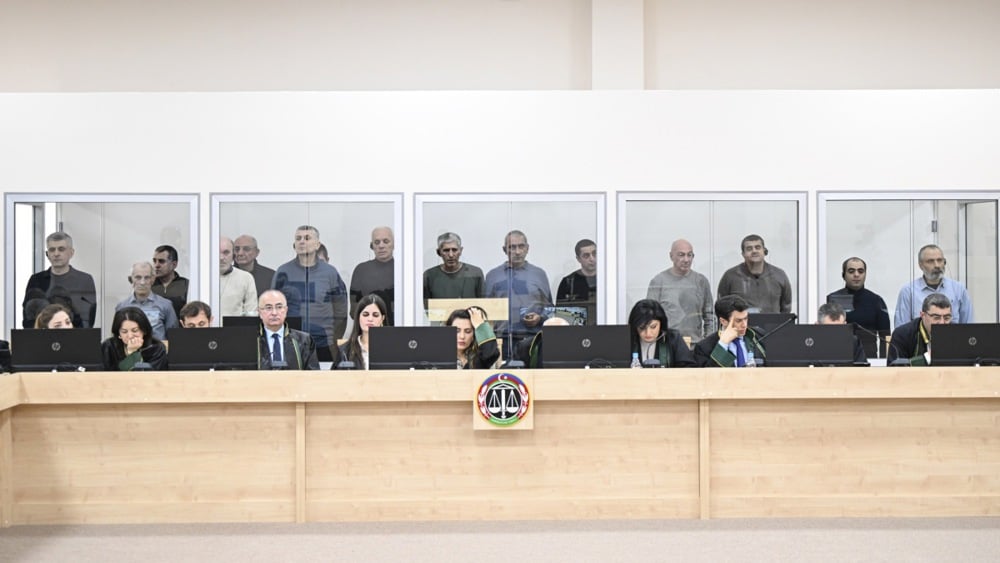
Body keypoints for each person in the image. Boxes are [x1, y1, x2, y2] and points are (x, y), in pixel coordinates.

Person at [272, 225, 349, 362]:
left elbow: (341, 310)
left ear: (317, 244)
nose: (302, 241)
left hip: (323, 343)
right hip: (291, 342)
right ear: (294, 244)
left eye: (307, 238)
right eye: (298, 238)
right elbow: (273, 308)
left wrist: (332, 338)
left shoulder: (330, 273)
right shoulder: (283, 272)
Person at [484, 230, 553, 346]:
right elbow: (486, 311)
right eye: (512, 247)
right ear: (504, 250)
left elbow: (549, 307)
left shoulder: (539, 274)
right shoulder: (493, 276)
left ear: (527, 248)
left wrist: (540, 318)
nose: (517, 252)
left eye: (521, 246)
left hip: (533, 337)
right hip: (502, 338)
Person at [22, 232, 97, 328]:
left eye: (61, 249)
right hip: (41, 338)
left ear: (71, 253)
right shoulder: (36, 280)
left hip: (75, 338)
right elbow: (28, 318)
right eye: (52, 250)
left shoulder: (85, 280)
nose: (56, 254)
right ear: (47, 254)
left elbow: (88, 319)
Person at [646, 239, 715, 342]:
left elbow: (710, 316)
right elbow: (650, 317)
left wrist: (707, 342)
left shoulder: (701, 281)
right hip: (668, 345)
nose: (686, 259)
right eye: (681, 255)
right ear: (671, 256)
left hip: (695, 345)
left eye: (689, 255)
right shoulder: (658, 281)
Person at [894, 245, 972, 327]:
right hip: (918, 339)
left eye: (940, 260)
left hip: (952, 339)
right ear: (921, 265)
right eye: (930, 261)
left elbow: (969, 327)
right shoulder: (908, 291)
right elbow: (901, 330)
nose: (937, 265)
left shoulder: (958, 289)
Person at [717, 234, 792, 314]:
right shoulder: (730, 276)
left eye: (758, 247)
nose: (754, 251)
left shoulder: (779, 275)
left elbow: (786, 308)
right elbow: (721, 308)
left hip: (774, 325)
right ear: (743, 254)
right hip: (741, 325)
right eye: (749, 249)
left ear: (764, 251)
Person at [694, 295, 766, 367]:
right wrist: (723, 344)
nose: (744, 325)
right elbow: (708, 375)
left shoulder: (758, 336)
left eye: (745, 318)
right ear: (723, 321)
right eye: (738, 321)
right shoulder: (704, 347)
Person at [257, 289, 319, 370]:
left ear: (286, 310)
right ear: (260, 312)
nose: (274, 313)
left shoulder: (304, 340)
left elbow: (313, 375)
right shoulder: (250, 341)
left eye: (279, 307)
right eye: (268, 308)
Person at [116, 262, 178, 341]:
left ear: (153, 279)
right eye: (138, 277)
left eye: (147, 277)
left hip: (157, 352)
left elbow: (174, 338)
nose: (142, 282)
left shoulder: (166, 305)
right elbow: (117, 337)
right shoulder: (122, 306)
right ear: (131, 279)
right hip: (131, 352)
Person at [826, 257, 890, 333]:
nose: (856, 275)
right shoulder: (832, 300)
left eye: (860, 271)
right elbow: (825, 332)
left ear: (865, 274)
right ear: (843, 275)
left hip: (868, 344)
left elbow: (885, 336)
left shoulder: (876, 301)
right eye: (851, 271)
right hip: (841, 344)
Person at [888, 293, 953, 366]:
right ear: (923, 315)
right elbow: (894, 368)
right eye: (936, 317)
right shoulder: (902, 334)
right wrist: (926, 359)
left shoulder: (957, 334)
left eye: (946, 318)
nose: (942, 323)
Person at [628, 299, 696, 368]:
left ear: (661, 323)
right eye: (642, 328)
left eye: (653, 327)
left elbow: (688, 368)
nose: (648, 333)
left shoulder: (673, 339)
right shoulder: (627, 341)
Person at [423, 232, 485, 306]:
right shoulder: (429, 276)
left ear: (461, 250)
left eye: (454, 250)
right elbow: (426, 308)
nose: (451, 255)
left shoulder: (475, 273)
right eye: (446, 250)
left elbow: (482, 304)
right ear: (439, 252)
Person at [349, 227, 395, 326]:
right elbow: (354, 309)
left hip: (399, 328)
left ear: (394, 244)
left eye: (386, 241)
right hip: (369, 330)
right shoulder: (361, 270)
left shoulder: (403, 271)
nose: (381, 246)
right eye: (377, 242)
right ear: (372, 246)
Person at [101, 306, 169, 371]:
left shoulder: (156, 348)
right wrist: (131, 352)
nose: (130, 336)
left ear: (144, 330)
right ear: (118, 334)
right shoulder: (109, 346)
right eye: (124, 332)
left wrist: (133, 353)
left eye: (135, 330)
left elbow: (153, 376)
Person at [338, 294, 387, 370]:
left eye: (375, 315)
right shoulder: (344, 351)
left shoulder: (392, 350)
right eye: (365, 314)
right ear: (358, 317)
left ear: (382, 319)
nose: (370, 319)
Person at [555, 239, 597, 322]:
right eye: (586, 256)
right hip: (577, 331)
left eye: (594, 254)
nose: (592, 259)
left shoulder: (609, 280)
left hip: (605, 330)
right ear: (578, 259)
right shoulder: (568, 282)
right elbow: (561, 316)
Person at [219, 237, 257, 317]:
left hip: (235, 329)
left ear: (233, 255)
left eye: (226, 252)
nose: (221, 258)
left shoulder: (246, 278)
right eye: (217, 252)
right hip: (205, 329)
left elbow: (251, 314)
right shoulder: (200, 278)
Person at [151, 244, 189, 319]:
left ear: (174, 264)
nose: (156, 265)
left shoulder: (186, 285)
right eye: (154, 261)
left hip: (178, 330)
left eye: (161, 261)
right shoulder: (149, 285)